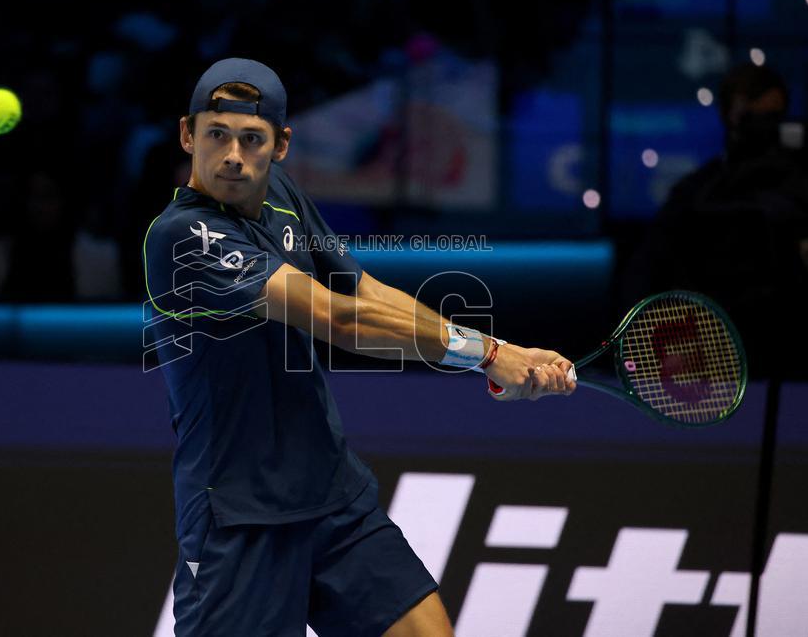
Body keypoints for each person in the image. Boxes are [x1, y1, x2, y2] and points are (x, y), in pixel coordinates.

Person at [143, 58, 575, 636]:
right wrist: (491, 358)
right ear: (187, 134)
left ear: (282, 145)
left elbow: (362, 288)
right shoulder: (180, 238)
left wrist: (498, 346)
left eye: (252, 139)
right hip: (239, 517)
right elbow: (339, 317)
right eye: (216, 134)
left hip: (331, 495)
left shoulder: (282, 194)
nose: (233, 156)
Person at [624, 63, 808, 379]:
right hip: (712, 361)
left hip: (792, 360)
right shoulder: (697, 194)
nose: (760, 130)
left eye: (771, 119)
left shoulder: (804, 189)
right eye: (749, 119)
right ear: (728, 116)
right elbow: (646, 272)